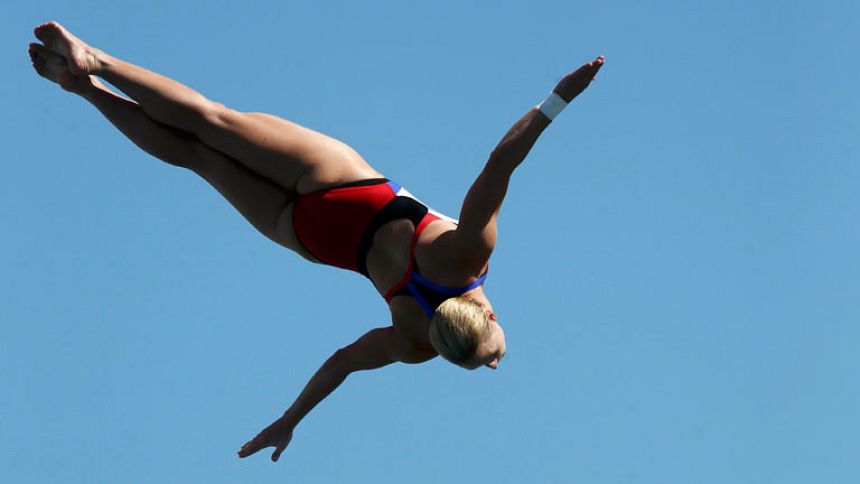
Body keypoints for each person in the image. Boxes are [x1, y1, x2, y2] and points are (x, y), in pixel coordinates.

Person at [28, 20, 604, 462]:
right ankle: (82, 87)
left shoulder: (466, 257)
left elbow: (498, 168)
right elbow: (342, 363)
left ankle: (96, 59)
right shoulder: (414, 342)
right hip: (310, 237)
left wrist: (557, 101)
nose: (497, 363)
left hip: (345, 190)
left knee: (212, 123)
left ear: (486, 312)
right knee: (195, 157)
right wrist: (291, 418)